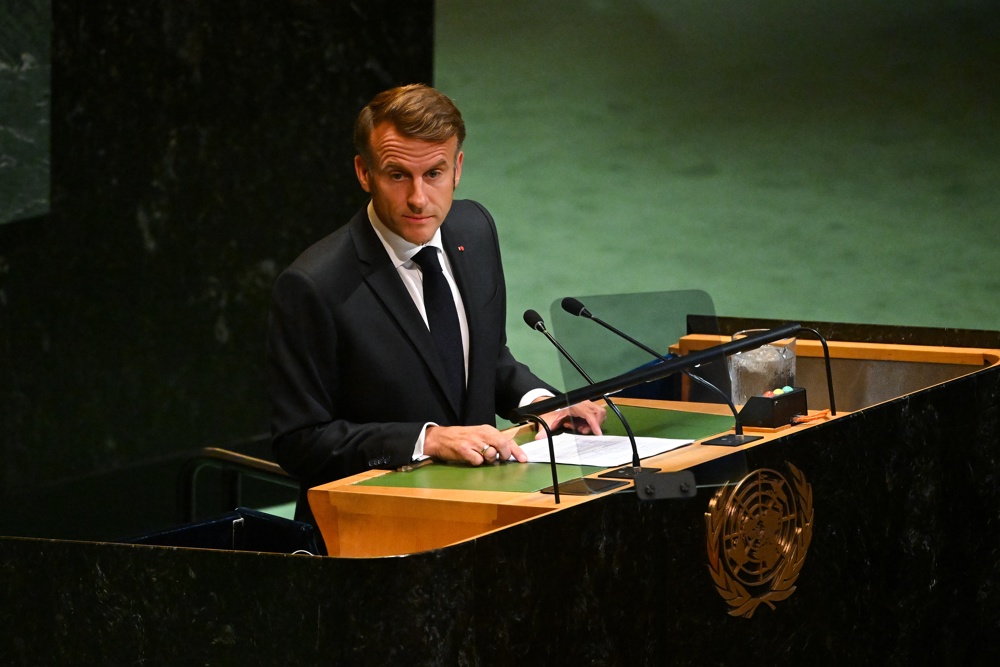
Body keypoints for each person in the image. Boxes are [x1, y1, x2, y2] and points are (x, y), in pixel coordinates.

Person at [267, 84, 605, 526]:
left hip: (483, 512)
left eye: (434, 174)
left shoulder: (474, 229)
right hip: (374, 527)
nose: (418, 199)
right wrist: (426, 440)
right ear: (364, 173)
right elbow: (300, 441)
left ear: (457, 168)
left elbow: (485, 359)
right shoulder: (314, 285)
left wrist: (545, 404)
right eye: (397, 175)